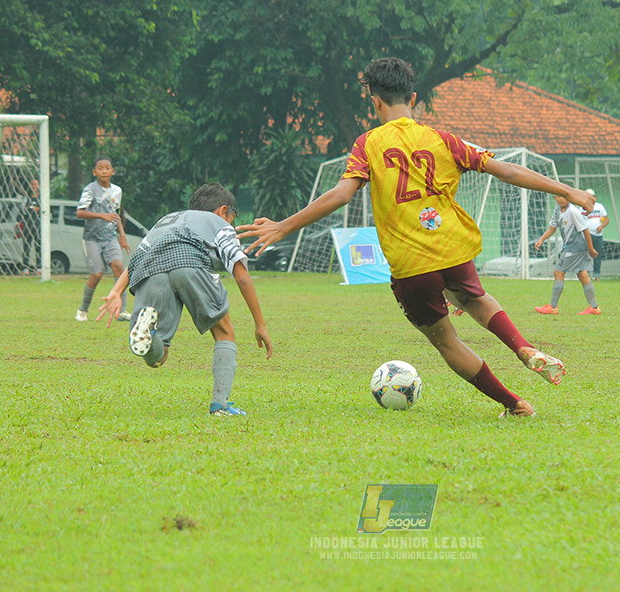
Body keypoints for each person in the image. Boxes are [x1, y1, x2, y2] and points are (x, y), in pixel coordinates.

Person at [239, 57, 594, 418]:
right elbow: (507, 170)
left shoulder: (368, 144)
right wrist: (569, 190)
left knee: (446, 340)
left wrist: (283, 226)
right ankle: (522, 346)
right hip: (452, 247)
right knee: (475, 298)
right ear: (414, 98)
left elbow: (341, 195)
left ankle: (514, 404)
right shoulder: (441, 139)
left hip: (412, 265)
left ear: (374, 101)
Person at [97, 182, 272, 417]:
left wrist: (116, 292)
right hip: (190, 264)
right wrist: (260, 324)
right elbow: (241, 275)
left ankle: (149, 334)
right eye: (230, 218)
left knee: (158, 358)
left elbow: (140, 254)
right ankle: (220, 406)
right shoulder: (219, 224)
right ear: (222, 211)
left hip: (151, 270)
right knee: (224, 332)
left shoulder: (168, 219)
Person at [75, 156, 130, 322]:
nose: (104, 171)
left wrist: (122, 235)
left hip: (110, 237)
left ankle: (122, 310)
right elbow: (80, 212)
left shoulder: (117, 191)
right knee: (97, 274)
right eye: (100, 168)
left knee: (118, 267)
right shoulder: (90, 190)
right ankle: (82, 310)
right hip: (92, 238)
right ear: (94, 172)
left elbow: (117, 214)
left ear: (112, 171)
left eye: (107, 168)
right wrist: (101, 215)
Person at [534, 195, 601, 315]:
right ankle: (594, 307)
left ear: (569, 197)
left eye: (563, 196)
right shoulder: (557, 211)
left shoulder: (573, 211)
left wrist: (591, 249)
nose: (561, 199)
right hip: (573, 246)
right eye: (558, 196)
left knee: (559, 272)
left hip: (575, 246)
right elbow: (552, 228)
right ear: (554, 197)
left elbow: (585, 230)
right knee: (582, 274)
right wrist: (541, 239)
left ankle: (553, 307)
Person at [582, 188, 610, 280]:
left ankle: (597, 276)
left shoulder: (600, 207)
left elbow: (606, 219)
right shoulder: (582, 207)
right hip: (587, 235)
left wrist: (601, 227)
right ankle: (587, 275)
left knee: (597, 255)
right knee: (586, 255)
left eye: (593, 196)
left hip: (598, 236)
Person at [20, 178, 41, 273]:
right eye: (32, 184)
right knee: (26, 246)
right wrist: (33, 208)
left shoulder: (41, 197)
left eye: (35, 184)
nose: (34, 186)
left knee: (39, 246)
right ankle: (25, 267)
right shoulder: (26, 197)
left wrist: (32, 208)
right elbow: (23, 209)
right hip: (27, 224)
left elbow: (41, 209)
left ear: (39, 186)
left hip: (38, 225)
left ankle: (39, 267)